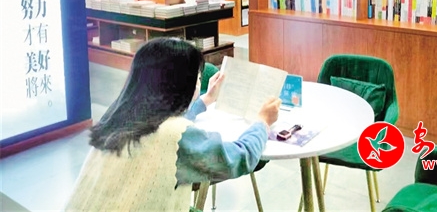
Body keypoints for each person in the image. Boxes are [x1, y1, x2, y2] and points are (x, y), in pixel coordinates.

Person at [65, 38, 280, 212]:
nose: (198, 83)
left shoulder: (117, 116)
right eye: (197, 78)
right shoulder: (178, 136)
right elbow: (239, 158)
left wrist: (205, 100)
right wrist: (262, 122)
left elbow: (164, 129)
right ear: (181, 86)